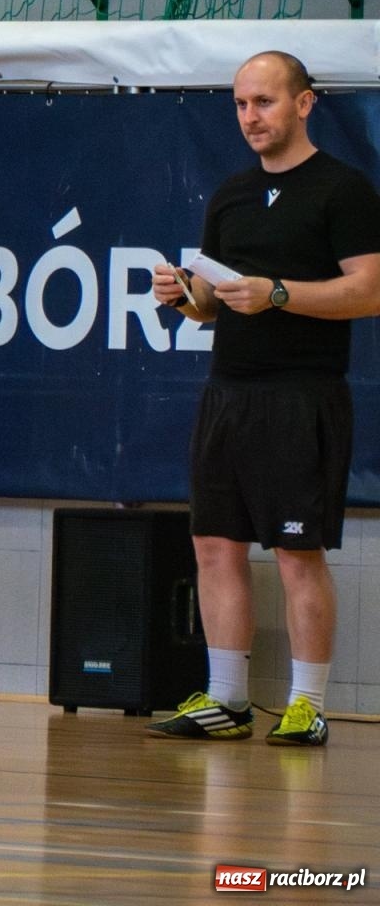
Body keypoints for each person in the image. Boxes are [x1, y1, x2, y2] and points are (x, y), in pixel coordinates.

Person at [149, 51, 380, 747]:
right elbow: (213, 303)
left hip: (302, 395)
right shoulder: (232, 194)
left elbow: (368, 292)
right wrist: (184, 296)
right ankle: (228, 700)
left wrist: (278, 292)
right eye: (241, 104)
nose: (251, 116)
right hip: (229, 393)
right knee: (215, 544)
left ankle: (308, 705)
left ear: (304, 104)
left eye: (265, 102)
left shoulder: (343, 190)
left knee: (296, 552)